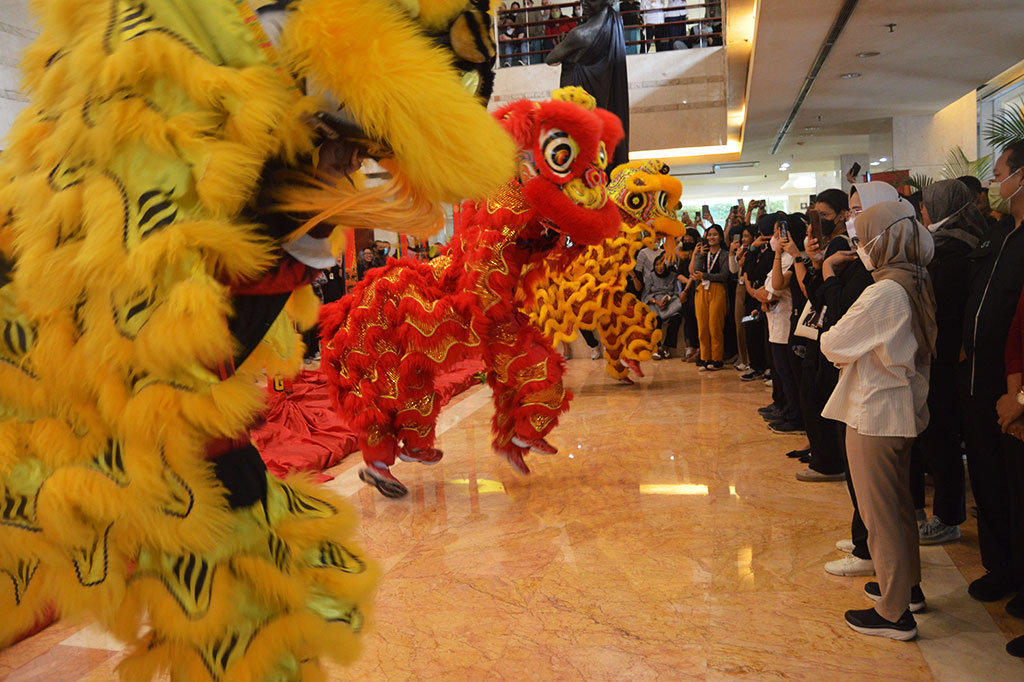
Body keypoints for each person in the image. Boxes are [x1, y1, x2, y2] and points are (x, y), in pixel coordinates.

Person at [821, 200, 937, 641]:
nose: (860, 247)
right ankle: (907, 590)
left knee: (880, 514)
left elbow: (833, 343)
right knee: (899, 508)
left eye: (862, 238)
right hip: (899, 409)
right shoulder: (915, 279)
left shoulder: (884, 291)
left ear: (882, 239)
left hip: (875, 412)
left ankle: (893, 613)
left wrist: (847, 350)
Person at [818, 181, 902, 577]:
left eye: (858, 211)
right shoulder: (881, 269)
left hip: (877, 401)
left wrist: (827, 273)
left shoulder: (885, 284)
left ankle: (892, 592)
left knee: (878, 500)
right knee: (873, 497)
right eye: (850, 211)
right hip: (873, 395)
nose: (853, 220)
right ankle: (868, 548)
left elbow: (835, 335)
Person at [961, 141, 1024, 615]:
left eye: (1000, 172)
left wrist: (1018, 392)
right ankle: (1000, 566)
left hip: (1013, 385)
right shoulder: (1001, 234)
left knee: (1016, 483)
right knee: (988, 477)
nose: (994, 184)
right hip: (981, 379)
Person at [913, 179, 987, 545]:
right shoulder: (945, 245)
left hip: (948, 357)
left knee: (942, 432)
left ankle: (948, 515)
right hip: (942, 354)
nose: (923, 211)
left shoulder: (954, 250)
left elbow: (948, 308)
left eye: (928, 205)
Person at [786, 189, 853, 481]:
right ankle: (824, 455)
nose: (820, 222)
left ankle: (827, 462)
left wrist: (802, 259)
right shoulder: (832, 243)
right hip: (826, 327)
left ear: (841, 215)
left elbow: (813, 294)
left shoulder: (840, 244)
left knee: (816, 392)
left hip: (828, 328)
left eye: (825, 216)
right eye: (817, 215)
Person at [692, 224, 729, 370]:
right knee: (702, 326)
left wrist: (705, 276)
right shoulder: (704, 253)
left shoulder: (724, 254)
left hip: (717, 289)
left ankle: (716, 359)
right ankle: (704, 357)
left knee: (715, 325)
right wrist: (700, 255)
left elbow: (724, 275)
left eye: (714, 234)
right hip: (702, 289)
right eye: (709, 235)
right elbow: (695, 272)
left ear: (720, 237)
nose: (711, 237)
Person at [641, 252, 683, 359]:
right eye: (657, 265)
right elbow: (645, 295)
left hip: (669, 303)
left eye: (662, 264)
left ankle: (666, 347)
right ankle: (657, 347)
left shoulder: (673, 276)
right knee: (655, 319)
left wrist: (667, 299)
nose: (660, 268)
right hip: (654, 303)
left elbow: (676, 292)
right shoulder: (650, 276)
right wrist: (656, 301)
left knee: (676, 318)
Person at [729, 226, 755, 371]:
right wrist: (734, 255)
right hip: (740, 288)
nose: (744, 240)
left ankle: (752, 360)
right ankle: (743, 358)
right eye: (742, 237)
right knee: (740, 323)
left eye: (746, 236)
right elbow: (733, 270)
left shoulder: (755, 252)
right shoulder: (740, 252)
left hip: (751, 288)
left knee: (749, 323)